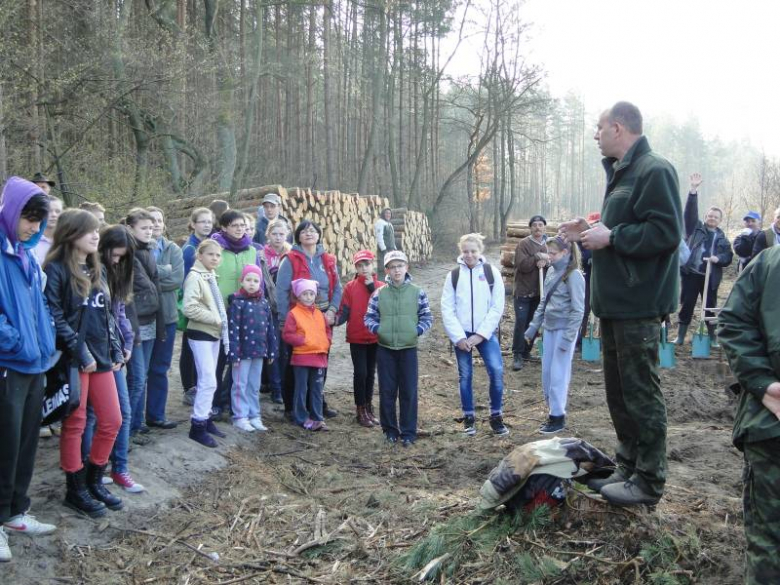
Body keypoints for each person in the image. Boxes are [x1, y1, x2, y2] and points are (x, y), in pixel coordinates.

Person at [560, 101, 682, 506]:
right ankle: (627, 467)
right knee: (618, 393)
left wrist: (611, 238)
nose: (595, 135)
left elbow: (666, 232)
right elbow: (625, 225)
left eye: (599, 128)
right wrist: (590, 229)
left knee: (640, 394)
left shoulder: (654, 170)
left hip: (639, 303)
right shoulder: (621, 174)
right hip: (615, 305)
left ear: (617, 127)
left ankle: (648, 481)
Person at [44, 209, 124, 518]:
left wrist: (116, 348)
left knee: (112, 420)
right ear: (71, 233)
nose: (95, 235)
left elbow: (106, 314)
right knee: (75, 424)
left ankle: (94, 481)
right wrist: (81, 354)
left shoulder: (96, 267)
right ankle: (74, 489)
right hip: (76, 360)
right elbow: (54, 314)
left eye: (96, 231)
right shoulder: (56, 269)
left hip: (102, 358)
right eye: (89, 231)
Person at [0, 177, 57, 562]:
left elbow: (38, 308)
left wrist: (45, 343)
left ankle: (16, 510)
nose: (34, 227)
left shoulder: (27, 256)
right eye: (28, 218)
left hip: (35, 363)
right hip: (8, 363)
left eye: (39, 219)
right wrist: (15, 342)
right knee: (3, 445)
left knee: (25, 443)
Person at [718, 245, 780, 584]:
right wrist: (764, 384)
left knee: (767, 544)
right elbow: (734, 320)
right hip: (770, 426)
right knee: (768, 544)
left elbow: (733, 321)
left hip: (768, 422)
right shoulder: (770, 263)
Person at [81, 225, 145, 493]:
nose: (117, 260)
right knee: (90, 415)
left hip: (114, 351)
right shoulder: (89, 272)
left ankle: (119, 468)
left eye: (122, 258)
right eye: (115, 255)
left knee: (122, 411)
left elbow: (119, 315)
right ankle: (91, 468)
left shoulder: (116, 273)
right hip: (93, 353)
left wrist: (126, 343)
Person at [440, 233, 508, 437]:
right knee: (465, 375)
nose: (469, 255)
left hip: (484, 333)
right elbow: (447, 307)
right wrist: (459, 337)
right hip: (461, 334)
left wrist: (480, 335)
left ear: (480, 252)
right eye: (465, 251)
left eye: (473, 251)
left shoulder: (491, 272)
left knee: (496, 371)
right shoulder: (453, 275)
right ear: (461, 252)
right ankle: (468, 417)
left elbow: (497, 306)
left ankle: (496, 416)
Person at [364, 250, 433, 447]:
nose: (396, 270)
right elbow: (369, 317)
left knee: (409, 390)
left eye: (400, 266)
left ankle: (408, 432)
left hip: (408, 348)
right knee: (387, 390)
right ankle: (390, 430)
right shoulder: (379, 293)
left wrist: (416, 331)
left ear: (406, 267)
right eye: (392, 267)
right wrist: (380, 330)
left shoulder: (417, 292)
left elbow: (427, 317)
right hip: (385, 348)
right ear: (386, 270)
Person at [276, 220, 342, 420]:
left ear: (319, 235)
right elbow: (281, 291)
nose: (309, 233)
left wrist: (332, 311)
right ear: (297, 236)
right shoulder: (291, 259)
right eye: (304, 231)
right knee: (295, 363)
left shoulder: (328, 260)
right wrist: (284, 319)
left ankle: (317, 404)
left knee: (320, 361)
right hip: (298, 318)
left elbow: (338, 288)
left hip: (322, 318)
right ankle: (291, 407)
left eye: (313, 230)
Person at [524, 237, 585, 434]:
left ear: (565, 253)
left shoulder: (574, 275)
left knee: (559, 374)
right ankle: (552, 410)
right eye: (548, 253)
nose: (549, 257)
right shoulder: (551, 271)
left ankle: (557, 416)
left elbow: (578, 310)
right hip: (549, 329)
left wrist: (568, 339)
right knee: (547, 373)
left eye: (553, 253)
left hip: (564, 330)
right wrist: (533, 327)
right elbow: (544, 302)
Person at [211, 210, 262, 417]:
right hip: (220, 310)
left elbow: (257, 280)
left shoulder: (251, 249)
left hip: (245, 313)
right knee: (219, 360)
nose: (240, 229)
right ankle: (214, 403)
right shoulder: (216, 249)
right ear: (224, 227)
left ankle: (230, 402)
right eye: (234, 225)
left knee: (238, 360)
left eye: (242, 225)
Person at [674, 173, 733, 346]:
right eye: (710, 215)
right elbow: (690, 214)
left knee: (710, 306)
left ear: (720, 220)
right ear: (706, 217)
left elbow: (728, 257)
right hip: (692, 273)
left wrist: (718, 258)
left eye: (716, 217)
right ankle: (680, 336)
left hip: (710, 277)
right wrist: (693, 191)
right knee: (686, 305)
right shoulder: (696, 228)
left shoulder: (723, 239)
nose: (712, 218)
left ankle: (713, 337)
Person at [183, 239, 229, 447]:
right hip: (201, 332)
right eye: (211, 254)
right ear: (200, 255)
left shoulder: (210, 275)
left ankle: (206, 418)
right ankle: (197, 426)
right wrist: (216, 318)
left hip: (214, 334)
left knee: (211, 379)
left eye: (218, 255)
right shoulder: (195, 277)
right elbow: (189, 308)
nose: (215, 258)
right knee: (208, 380)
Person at [124, 208, 164, 442]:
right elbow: (131, 292)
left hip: (150, 319)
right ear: (130, 229)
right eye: (144, 228)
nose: (150, 231)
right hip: (134, 322)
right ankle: (125, 431)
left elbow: (156, 285)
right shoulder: (128, 254)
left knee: (144, 376)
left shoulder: (148, 251)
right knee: (137, 378)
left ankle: (136, 424)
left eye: (151, 228)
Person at [145, 207, 183, 429]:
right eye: (151, 221)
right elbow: (134, 279)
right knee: (139, 371)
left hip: (167, 317)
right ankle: (134, 420)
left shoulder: (173, 249)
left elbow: (176, 281)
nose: (156, 224)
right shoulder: (135, 248)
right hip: (142, 317)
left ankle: (156, 414)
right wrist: (163, 272)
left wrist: (149, 280)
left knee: (160, 367)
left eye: (159, 220)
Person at [337, 250, 384, 428]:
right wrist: (333, 320)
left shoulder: (380, 286)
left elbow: (383, 307)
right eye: (360, 265)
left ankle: (369, 407)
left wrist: (372, 287)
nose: (364, 268)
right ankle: (360, 409)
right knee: (361, 373)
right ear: (355, 267)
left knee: (371, 373)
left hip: (375, 337)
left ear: (372, 265)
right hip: (356, 337)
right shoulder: (350, 287)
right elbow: (345, 310)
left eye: (366, 264)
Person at [227, 265, 277, 432]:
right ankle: (240, 416)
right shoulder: (237, 303)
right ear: (242, 281)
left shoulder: (264, 303)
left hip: (259, 351)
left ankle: (254, 415)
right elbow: (232, 330)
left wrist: (271, 350)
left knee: (254, 385)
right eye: (248, 280)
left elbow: (270, 329)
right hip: (242, 353)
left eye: (255, 280)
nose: (251, 283)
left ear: (260, 283)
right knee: (240, 384)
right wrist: (233, 354)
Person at [283, 278, 332, 430]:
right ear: (298, 295)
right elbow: (287, 334)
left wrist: (326, 341)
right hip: (302, 357)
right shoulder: (293, 314)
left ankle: (317, 418)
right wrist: (302, 340)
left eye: (311, 293)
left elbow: (327, 331)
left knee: (317, 389)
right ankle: (301, 418)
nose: (309, 297)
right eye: (305, 294)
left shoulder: (319, 314)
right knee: (301, 388)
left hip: (319, 357)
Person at [180, 207, 214, 405]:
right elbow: (186, 280)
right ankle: (189, 387)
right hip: (194, 304)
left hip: (208, 303)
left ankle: (200, 384)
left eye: (209, 222)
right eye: (202, 222)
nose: (206, 225)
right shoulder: (190, 249)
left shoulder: (210, 245)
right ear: (193, 224)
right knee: (189, 345)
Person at [259, 218, 292, 404]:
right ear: (268, 235)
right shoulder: (261, 254)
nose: (278, 238)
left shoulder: (291, 253)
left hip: (290, 307)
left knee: (288, 349)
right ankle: (276, 388)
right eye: (274, 234)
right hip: (269, 308)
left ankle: (286, 385)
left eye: (281, 234)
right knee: (274, 349)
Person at [511, 215, 549, 371]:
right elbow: (522, 265)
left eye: (540, 225)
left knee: (534, 322)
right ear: (530, 228)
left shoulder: (548, 245)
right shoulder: (524, 244)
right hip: (523, 291)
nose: (538, 227)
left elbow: (554, 262)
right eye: (535, 225)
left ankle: (527, 351)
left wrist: (546, 261)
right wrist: (536, 258)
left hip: (539, 292)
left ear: (544, 227)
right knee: (521, 322)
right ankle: (517, 354)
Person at [577, 212, 599, 346]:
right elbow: (578, 257)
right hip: (585, 281)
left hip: (600, 282)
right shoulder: (582, 240)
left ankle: (600, 339)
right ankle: (580, 339)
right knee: (583, 311)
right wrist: (588, 259)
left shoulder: (604, 240)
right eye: (592, 225)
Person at [34, 195, 63, 264]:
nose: (54, 215)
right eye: (49, 211)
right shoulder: (32, 241)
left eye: (57, 211)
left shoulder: (66, 240)